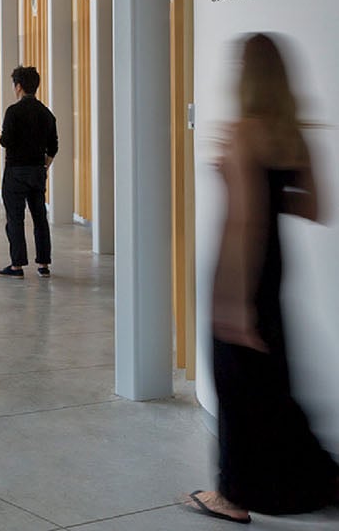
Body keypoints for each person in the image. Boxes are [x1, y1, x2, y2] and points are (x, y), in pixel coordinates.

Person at [180, 34, 339, 524]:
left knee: (235, 383)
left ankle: (232, 494)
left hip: (240, 269)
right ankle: (307, 480)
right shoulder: (293, 133)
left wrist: (234, 303)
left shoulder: (243, 131)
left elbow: (243, 223)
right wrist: (273, 196)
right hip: (275, 267)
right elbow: (316, 208)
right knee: (271, 383)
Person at [0, 66, 58, 278]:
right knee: (40, 217)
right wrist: (43, 167)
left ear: (18, 86)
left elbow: (6, 141)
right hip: (37, 171)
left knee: (15, 218)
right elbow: (53, 147)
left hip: (15, 171)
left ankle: (17, 265)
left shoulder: (13, 112)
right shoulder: (46, 113)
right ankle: (43, 264)